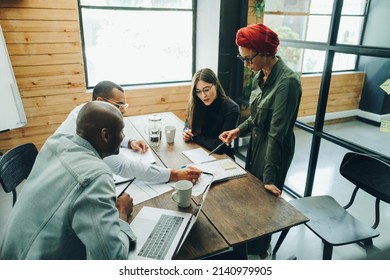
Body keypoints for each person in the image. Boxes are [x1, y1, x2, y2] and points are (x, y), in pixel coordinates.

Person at [0, 102, 134, 259]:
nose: (123, 137)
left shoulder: (56, 142)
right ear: (105, 135)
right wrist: (122, 213)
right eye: (121, 132)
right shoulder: (96, 177)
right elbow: (112, 258)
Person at [219, 23, 302, 259]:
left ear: (266, 53)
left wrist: (269, 177)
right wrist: (237, 130)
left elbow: (277, 134)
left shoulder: (288, 83)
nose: (246, 64)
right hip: (257, 144)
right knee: (250, 200)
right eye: (242, 59)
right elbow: (257, 118)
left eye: (248, 58)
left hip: (274, 150)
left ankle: (260, 254)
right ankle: (249, 249)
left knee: (264, 204)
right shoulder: (259, 76)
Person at [55, 80, 202, 184]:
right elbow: (123, 166)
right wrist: (174, 174)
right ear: (100, 100)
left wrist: (128, 142)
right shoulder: (90, 128)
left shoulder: (84, 111)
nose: (122, 111)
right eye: (119, 105)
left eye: (124, 105)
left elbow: (107, 137)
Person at [182, 68, 240, 159]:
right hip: (197, 152)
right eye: (198, 91)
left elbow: (220, 146)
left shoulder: (231, 108)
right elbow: (188, 124)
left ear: (216, 85)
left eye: (206, 89)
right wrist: (186, 132)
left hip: (222, 158)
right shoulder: (196, 102)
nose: (203, 95)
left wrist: (194, 137)